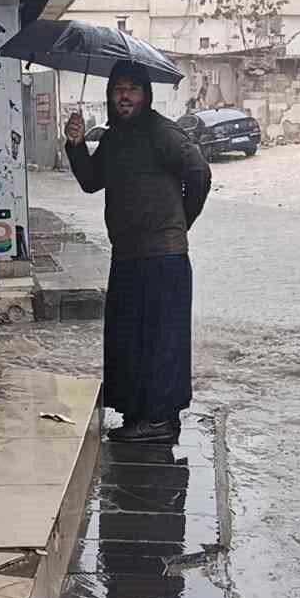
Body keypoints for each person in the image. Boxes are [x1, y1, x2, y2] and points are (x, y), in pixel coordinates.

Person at [63, 61, 212, 444]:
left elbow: (199, 173)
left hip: (163, 258)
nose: (124, 96)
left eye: (132, 89)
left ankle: (160, 419)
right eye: (118, 90)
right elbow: (91, 182)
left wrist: (181, 221)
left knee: (162, 339)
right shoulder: (114, 138)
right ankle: (137, 414)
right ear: (110, 97)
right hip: (127, 256)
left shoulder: (162, 133)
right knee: (129, 338)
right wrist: (76, 146)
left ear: (145, 95)